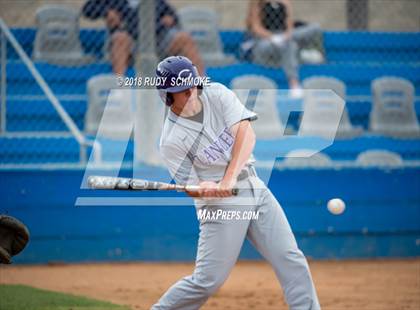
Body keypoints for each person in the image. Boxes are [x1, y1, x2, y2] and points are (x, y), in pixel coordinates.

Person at [152, 55, 320, 309]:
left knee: (290, 258)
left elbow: (246, 134)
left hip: (253, 186)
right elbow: (190, 186)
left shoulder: (216, 93)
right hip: (221, 209)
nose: (192, 94)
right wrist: (205, 190)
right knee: (207, 281)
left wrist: (228, 178)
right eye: (183, 92)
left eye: (193, 87)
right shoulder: (171, 140)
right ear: (167, 96)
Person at [82, 0, 204, 76]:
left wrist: (170, 19)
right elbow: (88, 9)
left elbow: (172, 15)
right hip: (131, 46)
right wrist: (107, 12)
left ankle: (201, 84)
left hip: (157, 42)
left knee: (184, 37)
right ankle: (120, 87)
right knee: (120, 38)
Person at [245, 0, 322, 91]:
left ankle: (294, 83)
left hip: (284, 38)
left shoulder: (285, 2)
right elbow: (256, 27)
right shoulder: (258, 3)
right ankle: (294, 82)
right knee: (291, 46)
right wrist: (273, 38)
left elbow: (289, 25)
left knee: (313, 29)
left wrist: (285, 36)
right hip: (265, 41)